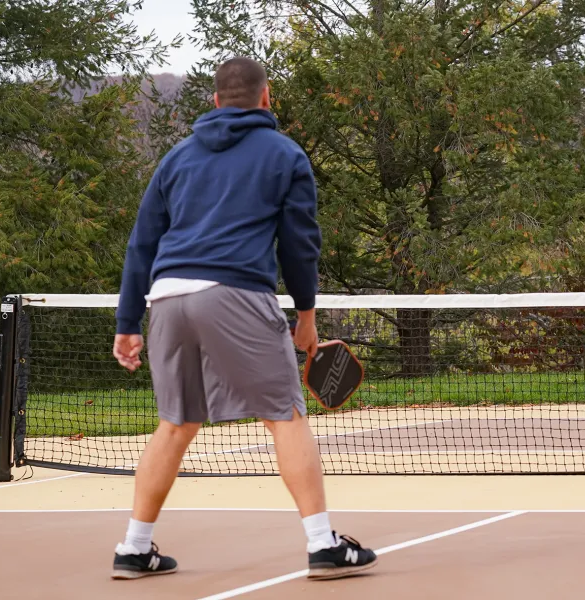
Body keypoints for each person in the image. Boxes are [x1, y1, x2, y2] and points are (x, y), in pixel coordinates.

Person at [109, 56, 377, 581]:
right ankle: (323, 545)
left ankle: (134, 547)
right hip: (233, 292)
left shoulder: (176, 158)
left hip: (166, 297)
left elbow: (142, 243)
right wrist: (306, 314)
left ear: (214, 101)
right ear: (266, 96)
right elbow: (300, 245)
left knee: (176, 423)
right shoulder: (284, 154)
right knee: (285, 414)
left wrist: (127, 322)